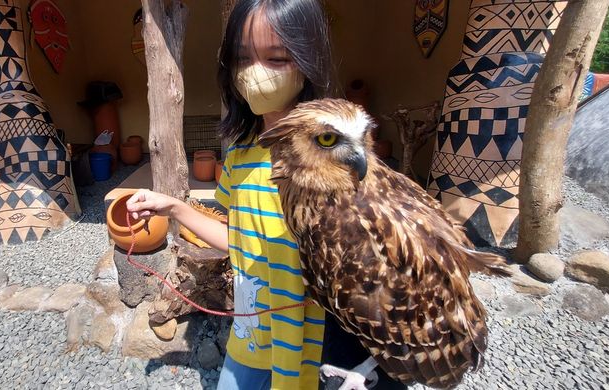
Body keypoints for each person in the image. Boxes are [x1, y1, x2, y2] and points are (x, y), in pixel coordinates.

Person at [127, 1, 406, 389]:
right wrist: (174, 207)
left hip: (312, 351)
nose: (255, 74)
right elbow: (238, 242)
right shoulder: (240, 154)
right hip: (252, 338)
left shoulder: (333, 163)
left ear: (308, 61)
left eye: (276, 59)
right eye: (243, 59)